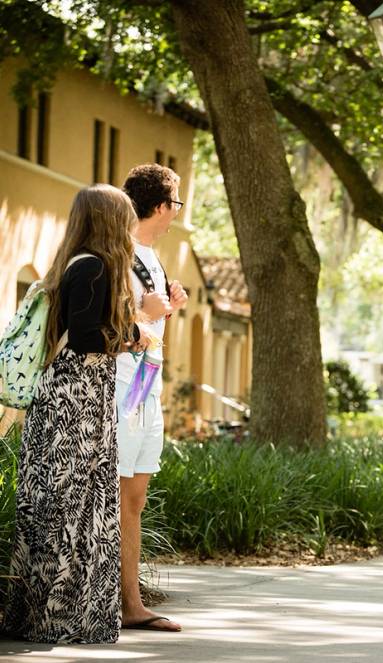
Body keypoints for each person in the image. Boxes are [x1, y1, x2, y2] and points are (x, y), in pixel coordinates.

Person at [3, 185, 150, 643]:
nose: (131, 226)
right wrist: (133, 336)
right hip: (75, 407)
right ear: (110, 220)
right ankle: (65, 619)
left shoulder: (77, 263)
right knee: (74, 508)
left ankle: (50, 616)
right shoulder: (94, 267)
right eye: (126, 217)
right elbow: (87, 336)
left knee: (61, 506)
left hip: (67, 402)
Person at [115, 164, 189, 633]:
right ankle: (124, 602)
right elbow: (107, 318)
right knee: (121, 496)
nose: (176, 214)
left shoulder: (154, 259)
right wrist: (146, 310)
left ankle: (131, 601)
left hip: (149, 389)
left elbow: (152, 324)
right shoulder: (117, 252)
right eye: (176, 204)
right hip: (123, 389)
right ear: (161, 206)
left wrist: (169, 306)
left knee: (136, 497)